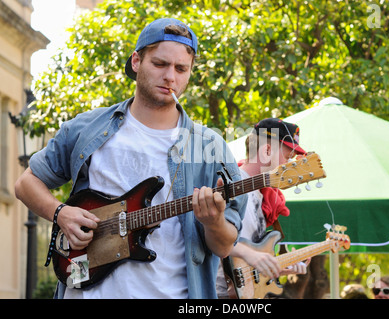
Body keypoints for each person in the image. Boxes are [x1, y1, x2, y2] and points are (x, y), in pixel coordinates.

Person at [14, 18, 246, 299]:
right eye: (160, 64)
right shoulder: (88, 128)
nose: (170, 77)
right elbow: (26, 184)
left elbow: (223, 246)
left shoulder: (211, 148)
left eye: (181, 69)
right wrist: (60, 213)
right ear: (136, 61)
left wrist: (214, 221)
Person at [216, 118, 309, 298]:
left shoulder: (259, 195)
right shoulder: (228, 184)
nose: (291, 164)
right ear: (267, 151)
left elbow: (247, 266)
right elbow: (211, 237)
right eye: (288, 157)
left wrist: (279, 268)